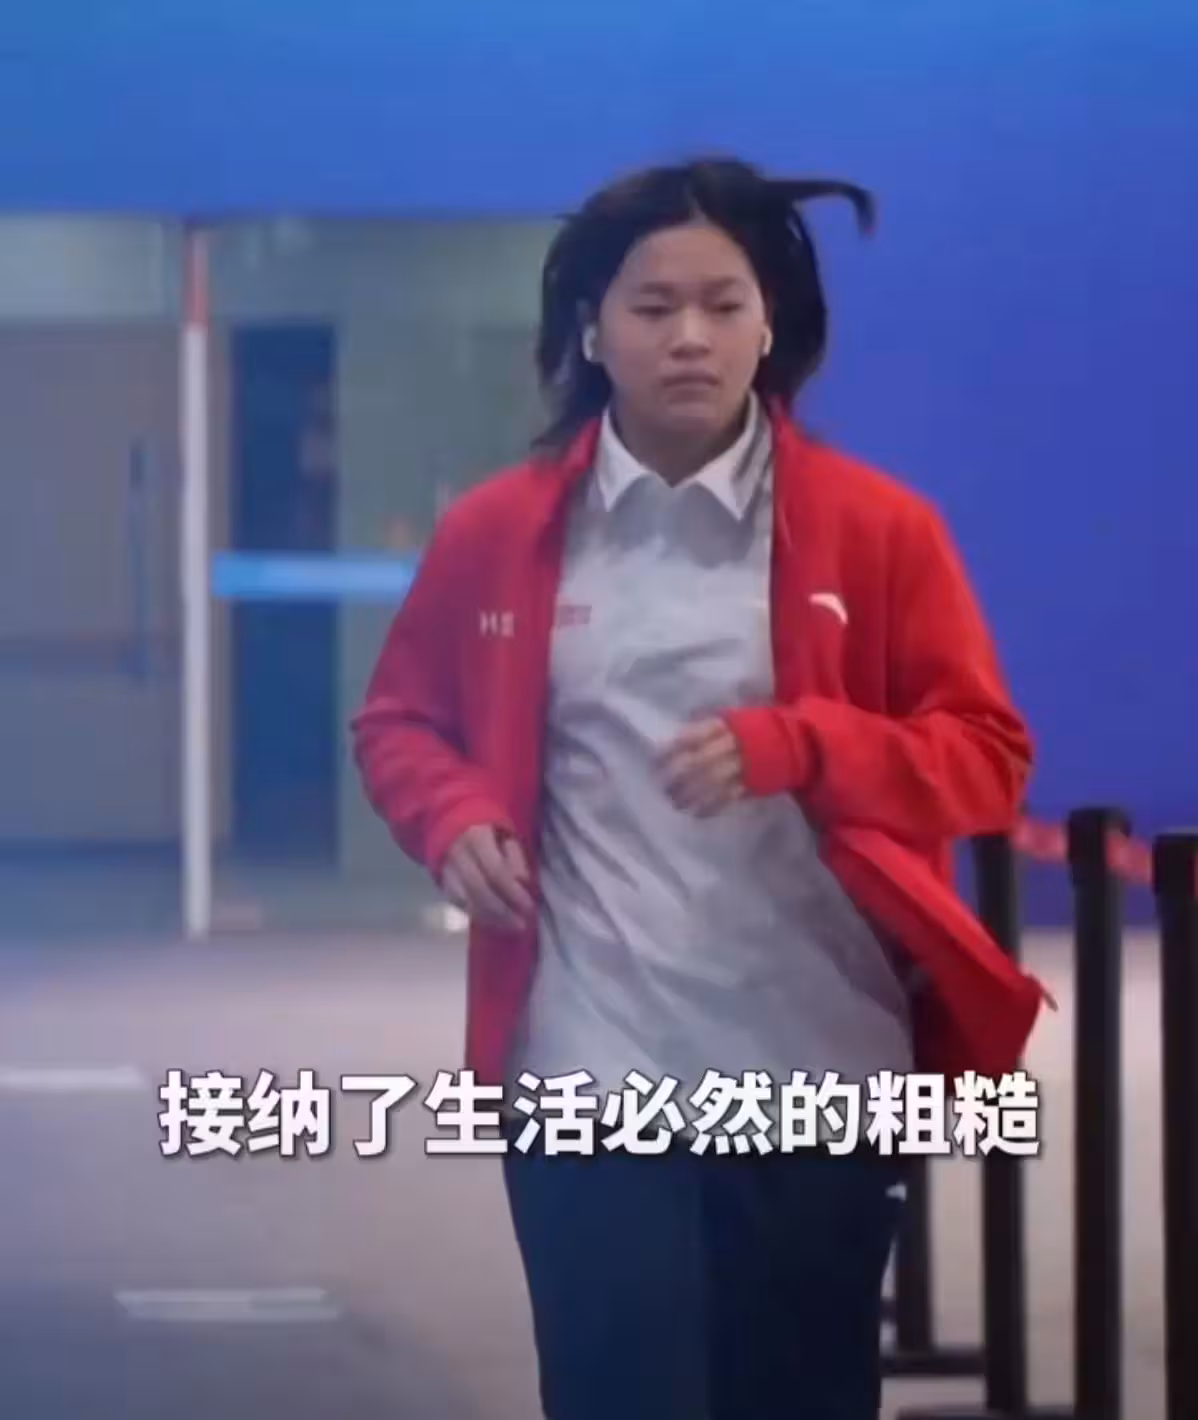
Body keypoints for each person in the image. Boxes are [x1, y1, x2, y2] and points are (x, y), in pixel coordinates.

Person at [351, 157, 1049, 1420]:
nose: (689, 336)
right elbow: (399, 720)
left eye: (723, 304)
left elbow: (986, 758)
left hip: (814, 1062)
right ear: (591, 329)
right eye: (653, 305)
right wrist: (451, 817)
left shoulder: (880, 530)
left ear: (769, 324)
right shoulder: (498, 531)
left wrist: (804, 746)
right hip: (584, 1056)